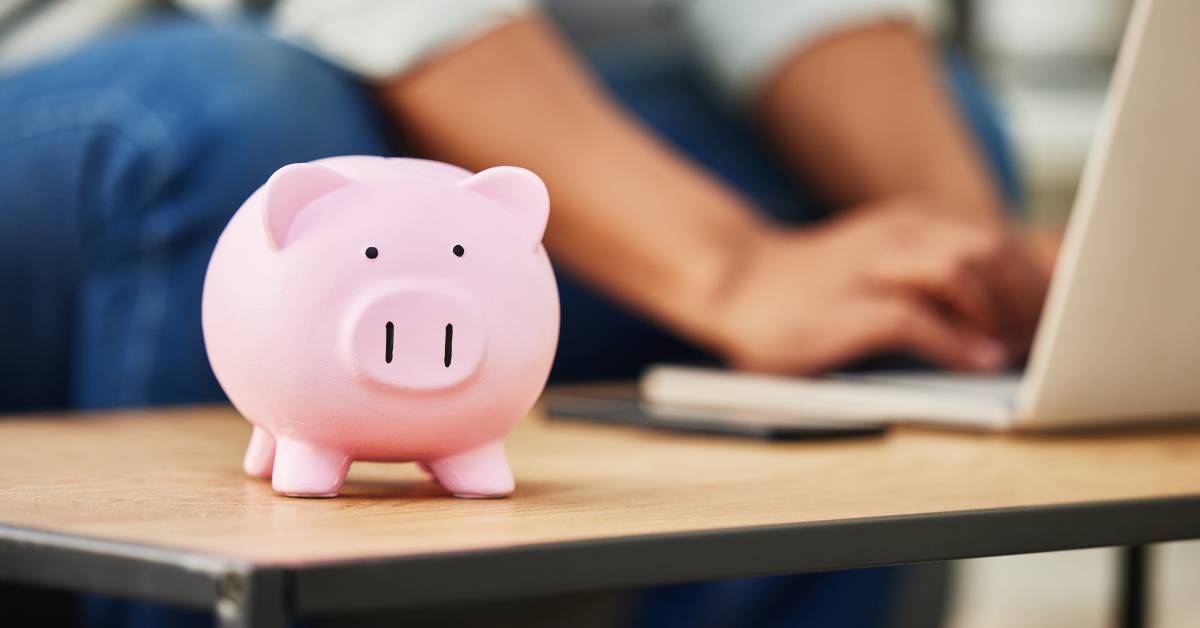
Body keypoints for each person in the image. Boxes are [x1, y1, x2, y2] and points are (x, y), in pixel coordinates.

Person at [0, 1, 1059, 626]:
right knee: (246, 116)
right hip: (121, 92)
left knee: (917, 192)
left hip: (546, 83)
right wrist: (731, 268)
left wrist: (972, 257)